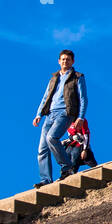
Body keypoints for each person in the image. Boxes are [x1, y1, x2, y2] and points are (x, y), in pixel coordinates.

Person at [32, 49, 88, 186]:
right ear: (59, 61)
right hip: (50, 114)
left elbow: (83, 99)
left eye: (68, 59)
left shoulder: (77, 77)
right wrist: (39, 114)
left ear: (72, 61)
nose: (65, 61)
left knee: (52, 137)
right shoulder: (54, 78)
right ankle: (45, 179)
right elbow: (46, 96)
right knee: (42, 149)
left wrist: (80, 117)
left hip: (66, 113)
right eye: (63, 59)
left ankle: (67, 167)